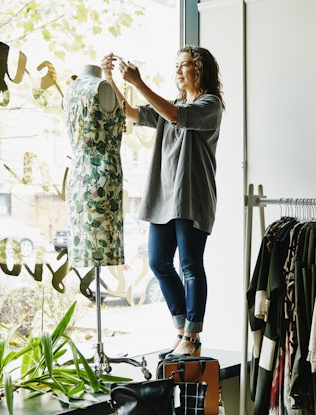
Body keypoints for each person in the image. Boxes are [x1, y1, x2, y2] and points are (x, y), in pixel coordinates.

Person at [101, 46, 225, 357]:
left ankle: (193, 338)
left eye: (185, 65)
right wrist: (109, 78)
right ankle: (182, 329)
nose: (179, 72)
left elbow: (175, 116)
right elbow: (129, 112)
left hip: (191, 197)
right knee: (158, 262)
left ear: (201, 70)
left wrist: (139, 82)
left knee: (190, 265)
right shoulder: (172, 105)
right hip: (163, 197)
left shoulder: (211, 105)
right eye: (177, 67)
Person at [62, 64, 126, 268]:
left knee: (86, 248)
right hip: (101, 177)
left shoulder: (70, 90)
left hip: (77, 176)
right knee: (100, 249)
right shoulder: (101, 87)